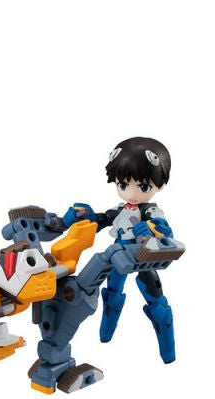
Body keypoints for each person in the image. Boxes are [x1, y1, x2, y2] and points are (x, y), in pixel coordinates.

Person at [62, 137, 176, 363]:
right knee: (111, 295)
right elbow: (102, 220)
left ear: (159, 185)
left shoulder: (151, 211)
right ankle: (105, 336)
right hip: (117, 257)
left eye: (142, 187)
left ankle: (168, 354)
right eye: (123, 185)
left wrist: (152, 227)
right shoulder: (119, 209)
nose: (131, 193)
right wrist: (85, 217)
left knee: (158, 306)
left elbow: (165, 230)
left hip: (143, 257)